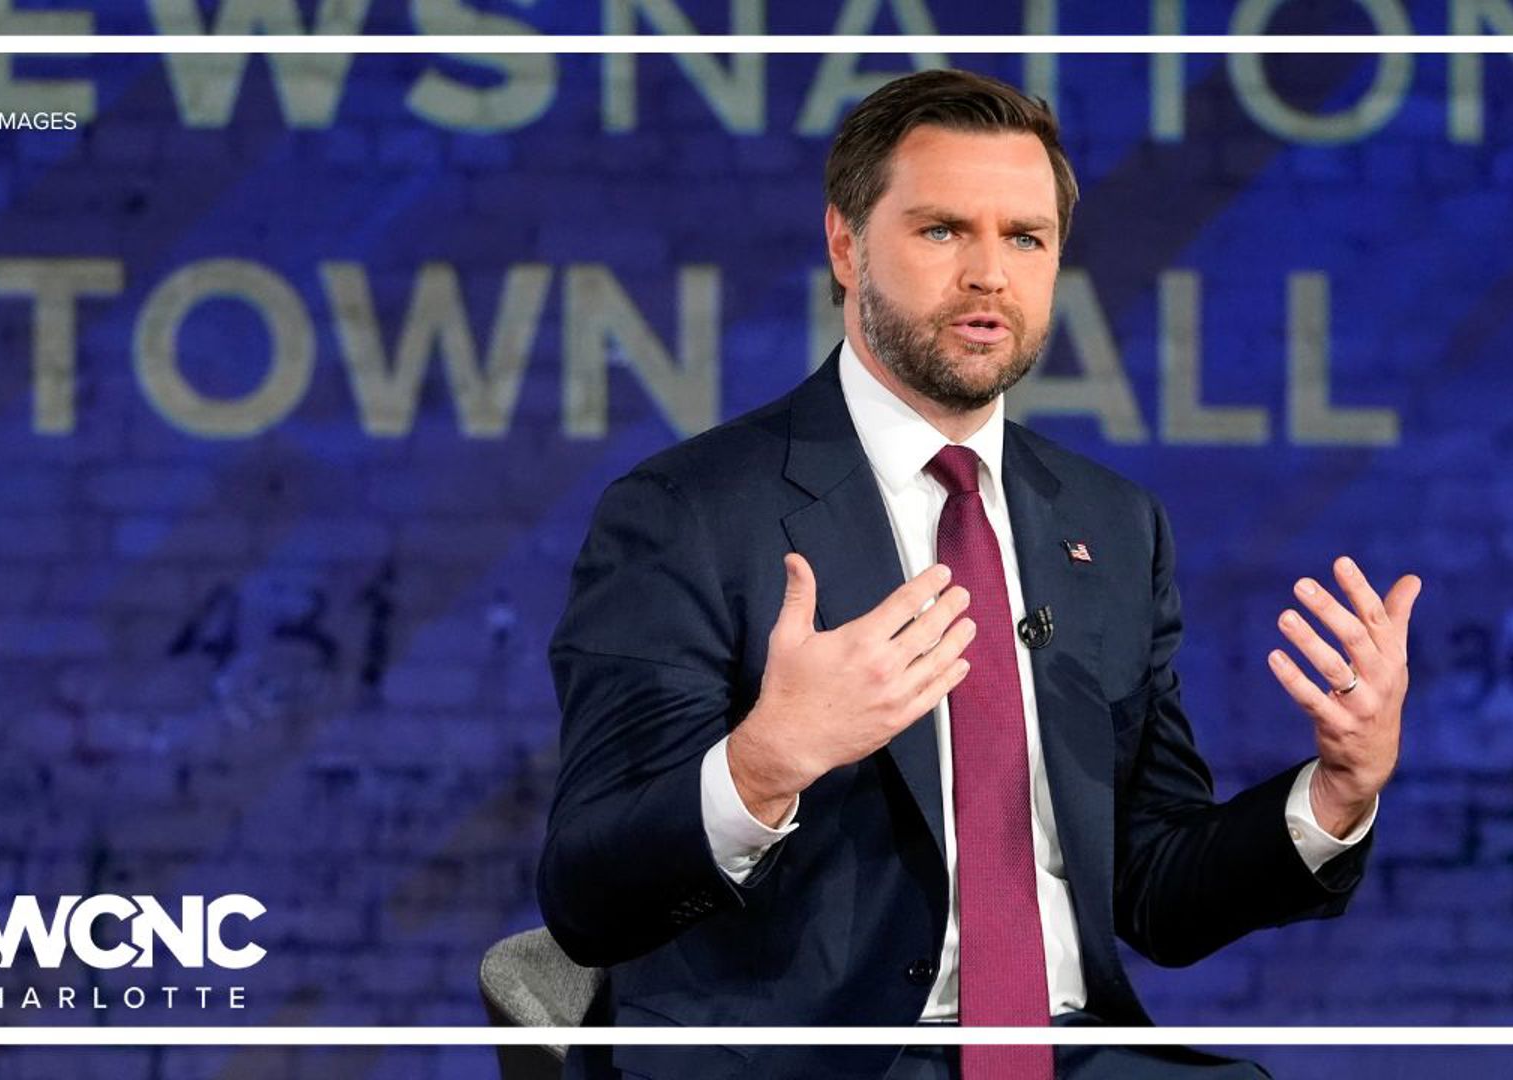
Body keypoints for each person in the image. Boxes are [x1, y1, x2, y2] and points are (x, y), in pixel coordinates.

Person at [538, 68, 1420, 1080]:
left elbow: (1158, 892)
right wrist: (765, 764)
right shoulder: (688, 514)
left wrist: (1340, 791)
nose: (990, 275)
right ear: (845, 243)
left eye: (1026, 238)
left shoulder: (1112, 527)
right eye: (944, 230)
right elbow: (586, 897)